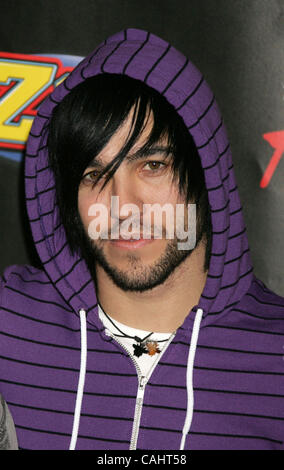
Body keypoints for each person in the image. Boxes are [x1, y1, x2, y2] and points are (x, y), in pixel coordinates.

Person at [0, 28, 283, 451]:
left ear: (208, 175)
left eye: (152, 165)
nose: (122, 205)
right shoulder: (11, 322)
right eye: (94, 176)